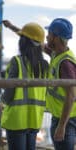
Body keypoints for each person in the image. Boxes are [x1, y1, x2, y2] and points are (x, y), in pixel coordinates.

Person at [1, 21, 49, 150]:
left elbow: (8, 94)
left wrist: (2, 100)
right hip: (34, 119)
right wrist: (12, 27)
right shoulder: (44, 65)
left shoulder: (17, 61)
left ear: (23, 42)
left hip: (17, 120)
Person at [44, 18, 76, 150]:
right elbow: (37, 44)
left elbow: (71, 96)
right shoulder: (57, 54)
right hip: (62, 117)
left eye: (49, 34)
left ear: (56, 38)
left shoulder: (65, 64)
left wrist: (61, 126)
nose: (47, 37)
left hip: (66, 120)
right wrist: (15, 29)